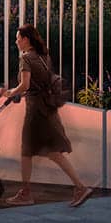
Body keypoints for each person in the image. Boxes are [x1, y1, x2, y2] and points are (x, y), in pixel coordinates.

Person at [10, 23, 92, 207]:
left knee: (27, 151)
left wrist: (10, 93)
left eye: (18, 38)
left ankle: (27, 194)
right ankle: (79, 187)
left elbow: (25, 85)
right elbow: (39, 84)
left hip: (35, 113)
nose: (16, 42)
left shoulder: (26, 59)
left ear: (26, 39)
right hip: (47, 109)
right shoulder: (43, 56)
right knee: (53, 153)